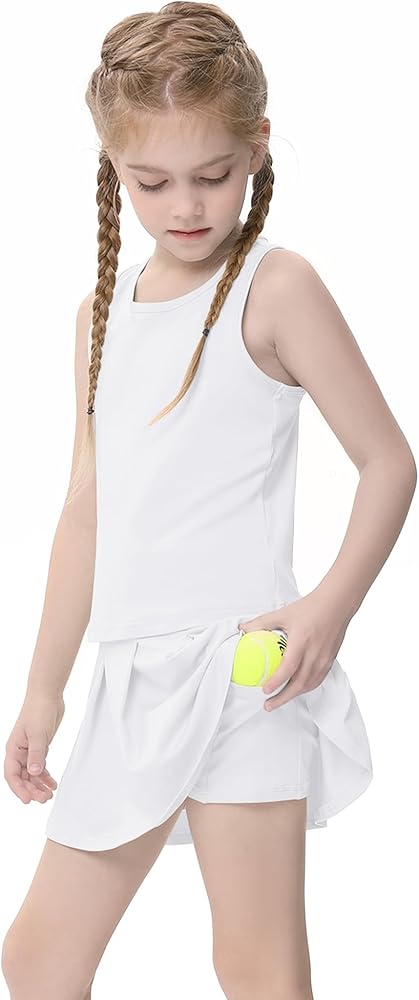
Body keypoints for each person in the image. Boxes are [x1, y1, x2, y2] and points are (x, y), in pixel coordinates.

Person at [1, 3, 416, 999]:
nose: (184, 206)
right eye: (151, 182)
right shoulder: (98, 318)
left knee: (256, 963)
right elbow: (86, 512)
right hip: (131, 681)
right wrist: (45, 689)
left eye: (213, 175)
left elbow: (387, 462)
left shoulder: (276, 288)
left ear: (256, 148)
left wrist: (326, 608)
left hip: (246, 672)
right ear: (113, 167)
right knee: (38, 959)